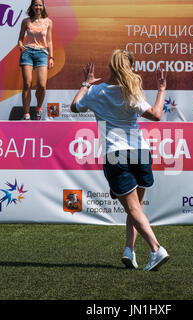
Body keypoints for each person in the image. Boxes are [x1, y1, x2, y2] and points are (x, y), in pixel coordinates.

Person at [70, 50, 170, 271]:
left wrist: (85, 84)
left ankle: (156, 249)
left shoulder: (96, 92)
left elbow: (74, 106)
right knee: (136, 208)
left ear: (111, 67)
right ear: (129, 66)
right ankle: (129, 250)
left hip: (116, 154)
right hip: (140, 152)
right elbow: (156, 114)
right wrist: (161, 90)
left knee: (133, 208)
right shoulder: (131, 91)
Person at [17, 0, 54, 121]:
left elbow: (49, 41)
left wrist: (51, 57)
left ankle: (39, 108)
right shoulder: (25, 21)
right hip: (27, 53)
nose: (38, 7)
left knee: (42, 85)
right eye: (36, 5)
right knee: (27, 84)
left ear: (43, 7)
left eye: (40, 5)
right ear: (32, 7)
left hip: (42, 53)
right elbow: (20, 39)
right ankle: (26, 114)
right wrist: (20, 45)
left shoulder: (48, 22)